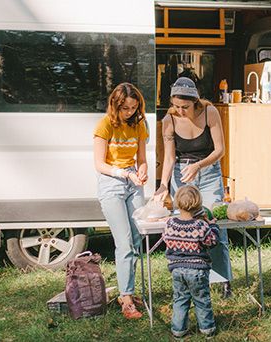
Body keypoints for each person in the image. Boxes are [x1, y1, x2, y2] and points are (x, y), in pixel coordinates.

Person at [154, 77, 233, 297]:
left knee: (214, 225)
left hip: (208, 172)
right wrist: (163, 185)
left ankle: (223, 280)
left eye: (185, 107)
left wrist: (199, 165)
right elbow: (169, 158)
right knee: (186, 229)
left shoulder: (210, 113)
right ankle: (191, 281)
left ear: (195, 102)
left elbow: (220, 150)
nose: (180, 111)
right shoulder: (168, 120)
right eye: (176, 106)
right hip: (182, 175)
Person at [93, 83, 149, 319]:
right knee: (124, 242)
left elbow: (142, 159)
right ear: (115, 106)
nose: (129, 112)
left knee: (136, 238)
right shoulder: (104, 125)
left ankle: (128, 291)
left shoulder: (139, 124)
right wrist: (124, 173)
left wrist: (143, 172)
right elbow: (99, 164)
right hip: (112, 182)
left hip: (133, 182)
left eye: (133, 108)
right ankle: (126, 298)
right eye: (125, 108)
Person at [163, 185, 220, 338]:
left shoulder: (170, 224)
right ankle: (207, 329)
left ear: (177, 203)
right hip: (197, 270)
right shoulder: (200, 225)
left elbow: (166, 240)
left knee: (180, 299)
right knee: (201, 300)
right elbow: (213, 241)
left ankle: (178, 330)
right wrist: (213, 225)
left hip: (176, 269)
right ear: (198, 205)